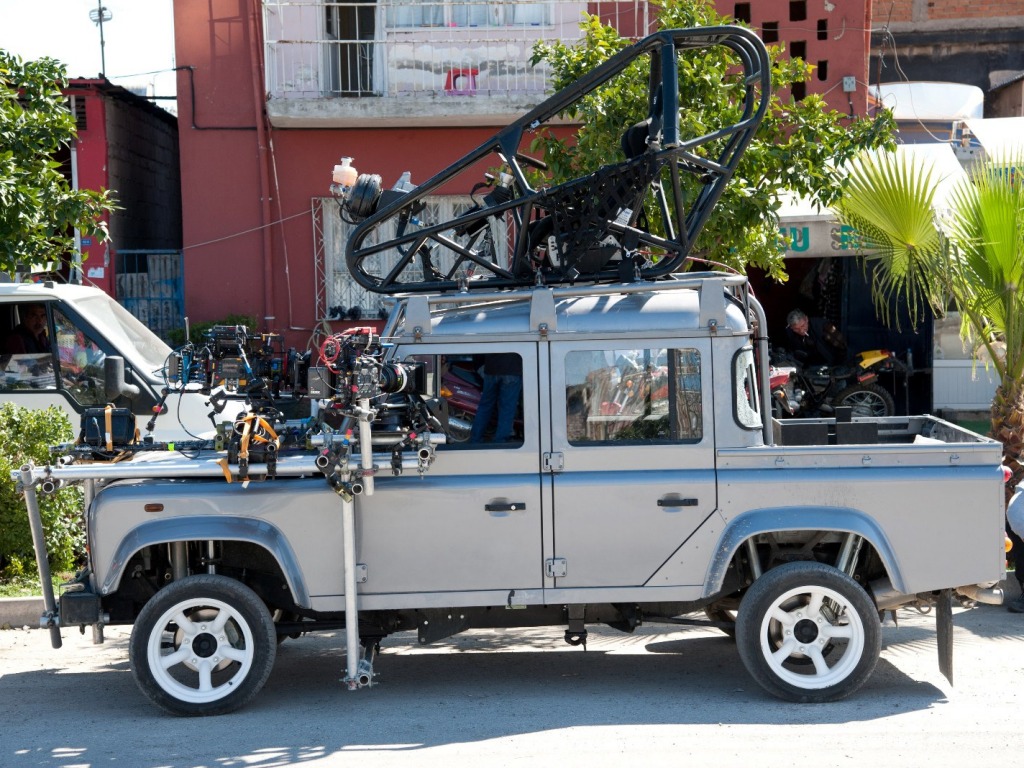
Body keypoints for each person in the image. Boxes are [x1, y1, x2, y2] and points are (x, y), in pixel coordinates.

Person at [468, 353, 522, 443]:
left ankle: (475, 439)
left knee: (485, 406)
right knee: (507, 409)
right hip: (512, 369)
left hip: (491, 369)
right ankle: (500, 441)